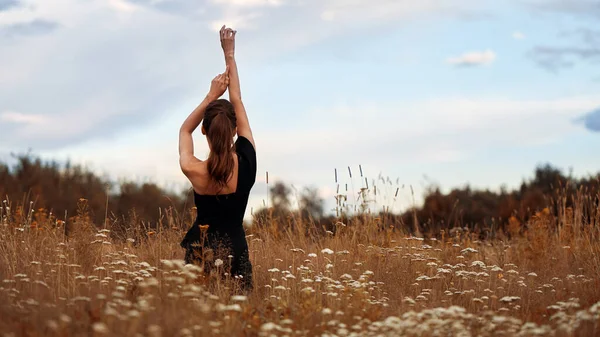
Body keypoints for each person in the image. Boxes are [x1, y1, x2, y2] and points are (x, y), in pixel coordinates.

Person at [178, 26, 256, 292]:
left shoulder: (194, 169)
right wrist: (229, 54)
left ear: (204, 131)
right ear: (235, 131)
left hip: (200, 256)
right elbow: (237, 98)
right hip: (237, 257)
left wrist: (211, 96)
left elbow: (184, 129)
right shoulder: (246, 162)